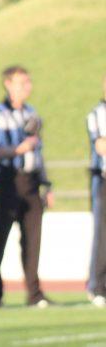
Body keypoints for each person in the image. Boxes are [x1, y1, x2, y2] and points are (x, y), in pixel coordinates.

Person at [0, 66, 54, 308]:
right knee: (0, 238)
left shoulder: (32, 113)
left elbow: (39, 152)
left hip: (32, 182)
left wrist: (46, 184)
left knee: (33, 239)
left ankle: (34, 294)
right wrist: (17, 150)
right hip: (8, 180)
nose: (27, 87)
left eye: (28, 82)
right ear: (8, 84)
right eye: (21, 82)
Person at [86, 75, 106, 307]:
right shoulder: (97, 114)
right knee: (102, 236)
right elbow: (100, 145)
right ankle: (98, 286)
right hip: (103, 180)